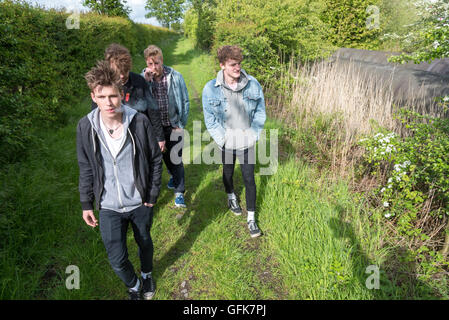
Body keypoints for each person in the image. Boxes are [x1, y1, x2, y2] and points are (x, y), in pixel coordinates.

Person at [77, 60, 163, 300]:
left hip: (139, 202)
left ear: (122, 95)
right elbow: (85, 167)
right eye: (102, 97)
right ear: (93, 96)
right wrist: (87, 204)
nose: (108, 103)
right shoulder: (85, 127)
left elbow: (155, 160)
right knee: (116, 258)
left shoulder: (139, 122)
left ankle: (146, 275)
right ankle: (134, 284)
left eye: (113, 96)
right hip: (108, 206)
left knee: (144, 242)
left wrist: (152, 196)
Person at [202, 45, 266, 238]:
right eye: (232, 65)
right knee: (228, 172)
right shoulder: (210, 89)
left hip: (247, 139)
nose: (237, 68)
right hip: (227, 140)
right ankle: (231, 197)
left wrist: (254, 134)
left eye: (239, 64)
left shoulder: (253, 84)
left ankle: (252, 219)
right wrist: (222, 140)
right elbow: (210, 120)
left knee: (249, 178)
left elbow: (260, 112)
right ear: (222, 65)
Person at [91, 43, 165, 152]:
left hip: (140, 137)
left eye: (125, 71)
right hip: (114, 142)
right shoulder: (102, 88)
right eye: (118, 72)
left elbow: (153, 109)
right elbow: (96, 116)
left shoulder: (139, 81)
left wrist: (160, 137)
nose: (121, 76)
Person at [141, 44, 190, 208]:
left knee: (176, 159)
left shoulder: (175, 76)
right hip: (154, 128)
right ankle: (172, 176)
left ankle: (179, 193)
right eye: (150, 64)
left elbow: (184, 101)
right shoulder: (143, 79)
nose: (154, 67)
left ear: (162, 61)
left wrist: (181, 124)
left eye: (157, 63)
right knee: (161, 158)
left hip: (173, 124)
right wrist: (146, 82)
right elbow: (141, 103)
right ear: (147, 64)